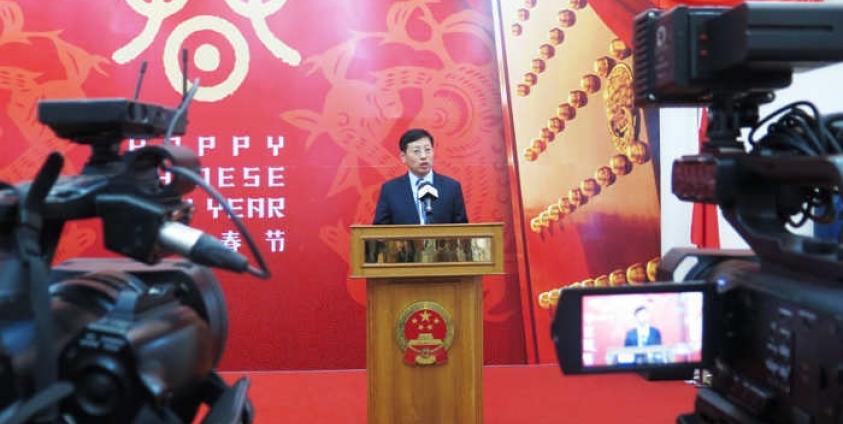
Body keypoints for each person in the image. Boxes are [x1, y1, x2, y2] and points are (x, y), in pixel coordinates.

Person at [373, 129, 468, 225]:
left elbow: (462, 229)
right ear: (403, 157)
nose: (423, 156)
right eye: (416, 151)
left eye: (427, 150)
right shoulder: (390, 190)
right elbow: (379, 230)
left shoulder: (451, 187)